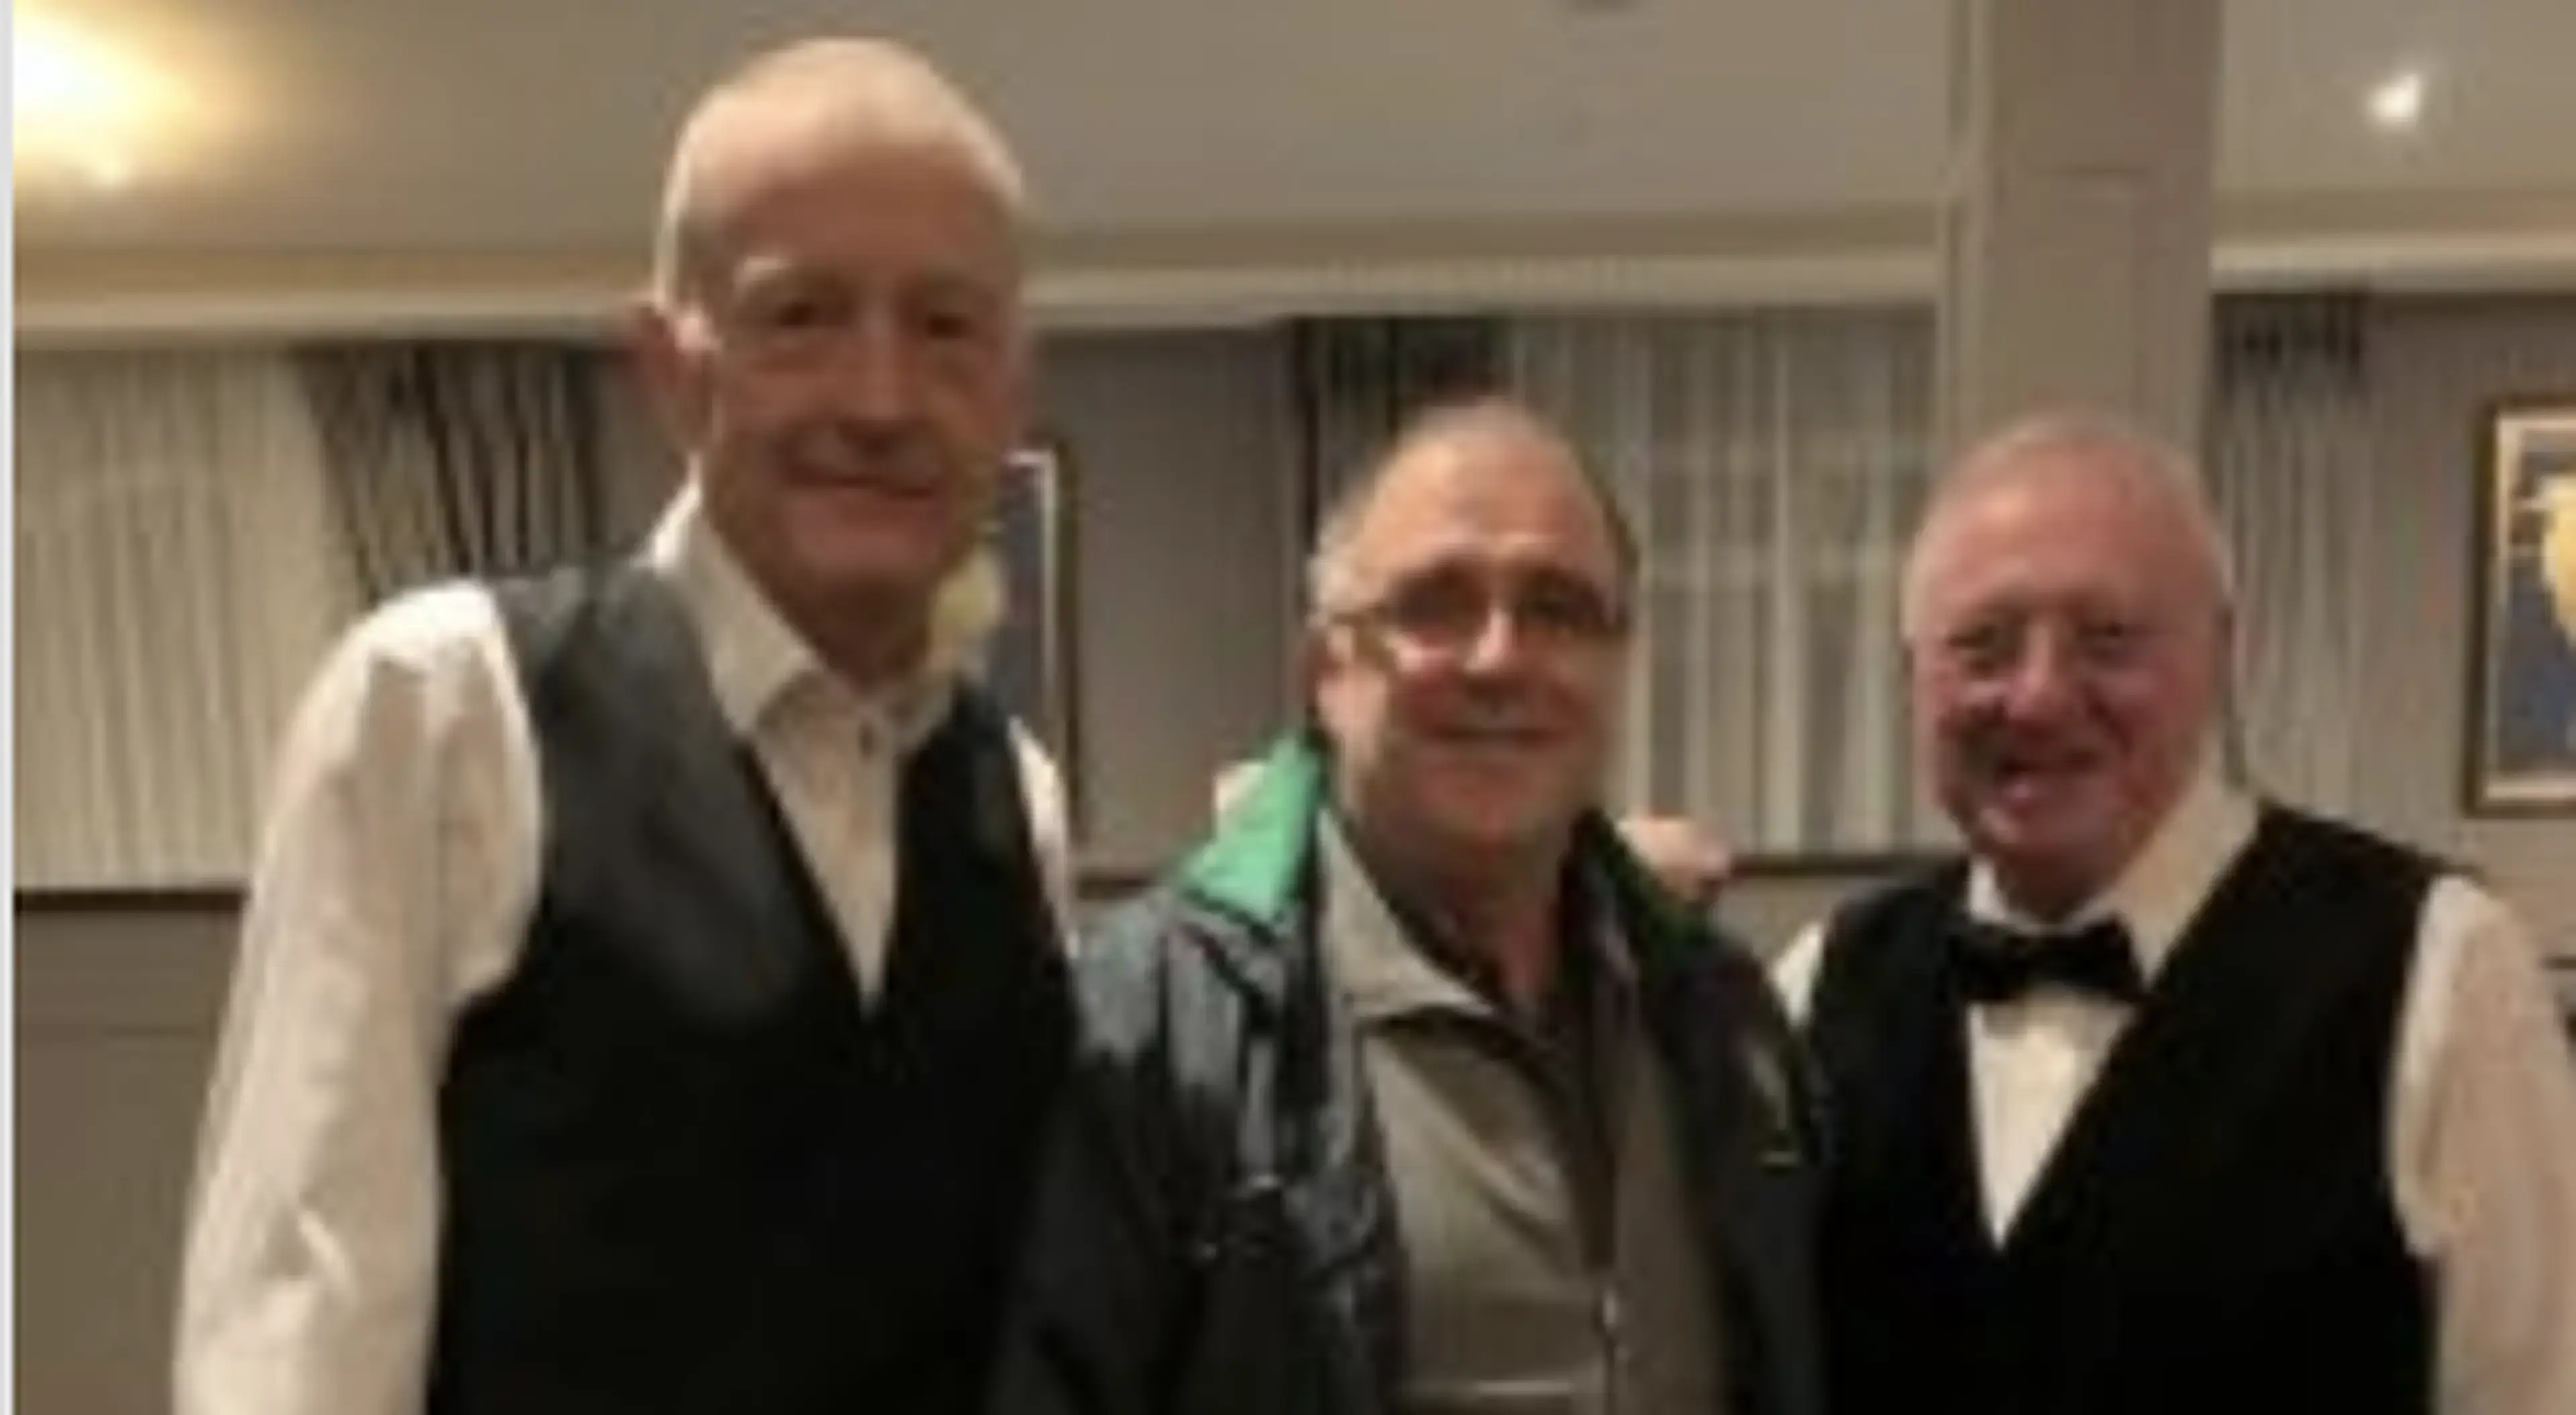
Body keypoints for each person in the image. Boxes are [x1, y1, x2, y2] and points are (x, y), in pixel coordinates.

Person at [176, 38, 1076, 1415]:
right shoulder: (443, 705)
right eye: (802, 315)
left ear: (1013, 389)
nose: (881, 398)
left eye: (946, 326)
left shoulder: (1019, 797)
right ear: (672, 367)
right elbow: (299, 1327)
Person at [996, 398, 1825, 1415]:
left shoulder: (1722, 1013)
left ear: (1618, 663)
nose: (1499, 658)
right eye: (1436, 603)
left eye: (1559, 609)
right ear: (1324, 670)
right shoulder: (1149, 1026)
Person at [1776, 412, 2576, 1415]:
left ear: (2220, 654)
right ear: (1910, 677)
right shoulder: (1819, 982)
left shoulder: (2442, 965)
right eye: (1982, 646)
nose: (2038, 695)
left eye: (2107, 640)